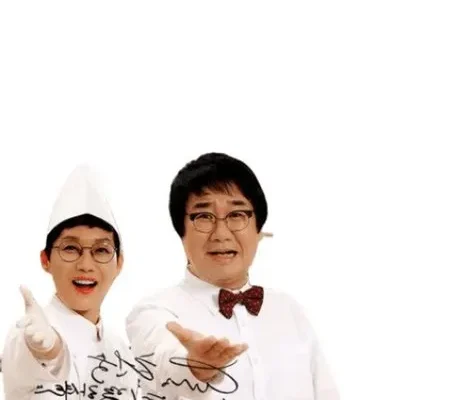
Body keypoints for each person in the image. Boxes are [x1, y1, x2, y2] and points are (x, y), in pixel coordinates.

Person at [126, 152, 340, 400]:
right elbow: (163, 363)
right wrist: (195, 367)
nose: (221, 234)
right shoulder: (153, 312)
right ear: (181, 232)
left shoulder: (289, 310)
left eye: (237, 215)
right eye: (204, 217)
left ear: (258, 230)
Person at [2, 165, 139, 400]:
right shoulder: (28, 334)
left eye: (101, 250)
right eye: (70, 248)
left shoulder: (119, 349)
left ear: (119, 263)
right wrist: (49, 352)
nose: (86, 264)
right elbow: (32, 362)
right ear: (46, 260)